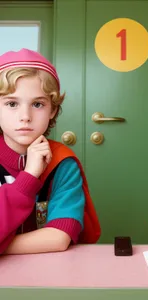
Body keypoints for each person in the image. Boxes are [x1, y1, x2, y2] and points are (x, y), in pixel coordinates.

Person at [0, 48, 100, 255]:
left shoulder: (62, 162)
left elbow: (58, 237)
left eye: (37, 104)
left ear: (52, 110)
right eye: (11, 103)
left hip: (49, 273)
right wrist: (29, 177)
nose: (25, 116)